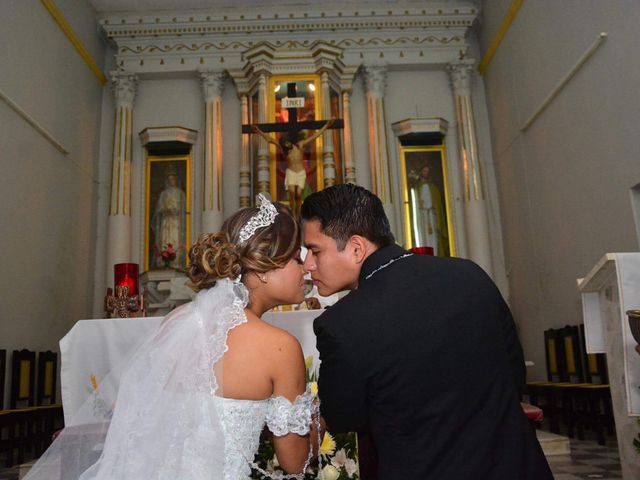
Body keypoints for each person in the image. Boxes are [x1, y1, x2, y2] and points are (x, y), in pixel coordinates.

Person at [25, 194, 318, 480]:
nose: (306, 268)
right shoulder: (280, 347)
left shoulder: (179, 321)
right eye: (296, 258)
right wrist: (317, 417)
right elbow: (295, 463)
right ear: (263, 269)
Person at [300, 184, 553, 480]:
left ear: (356, 247)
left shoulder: (343, 322)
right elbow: (513, 375)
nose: (307, 264)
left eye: (315, 250)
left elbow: (344, 417)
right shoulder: (470, 274)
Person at [252, 119, 334, 219]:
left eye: (288, 143)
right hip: (291, 172)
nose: (287, 145)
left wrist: (326, 126)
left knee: (298, 194)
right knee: (291, 193)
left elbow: (314, 137)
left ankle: (298, 212)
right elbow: (270, 140)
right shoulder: (284, 149)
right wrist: (259, 132)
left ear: (290, 141)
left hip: (300, 173)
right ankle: (293, 214)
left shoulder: (300, 145)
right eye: (285, 144)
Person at [409, 164, 448, 256]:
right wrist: (419, 203)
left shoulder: (433, 188)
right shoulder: (417, 188)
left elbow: (437, 202)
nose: (426, 173)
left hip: (431, 215)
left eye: (427, 171)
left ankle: (435, 253)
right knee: (423, 235)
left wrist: (433, 208)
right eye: (424, 171)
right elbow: (414, 203)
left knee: (433, 236)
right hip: (422, 215)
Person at [152, 170, 186, 268]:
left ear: (176, 180)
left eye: (173, 179)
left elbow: (183, 208)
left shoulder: (180, 193)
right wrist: (164, 210)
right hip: (166, 221)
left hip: (175, 221)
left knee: (175, 238)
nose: (171, 181)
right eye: (169, 179)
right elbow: (159, 208)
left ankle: (176, 262)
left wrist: (174, 210)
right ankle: (164, 260)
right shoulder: (163, 194)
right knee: (166, 238)